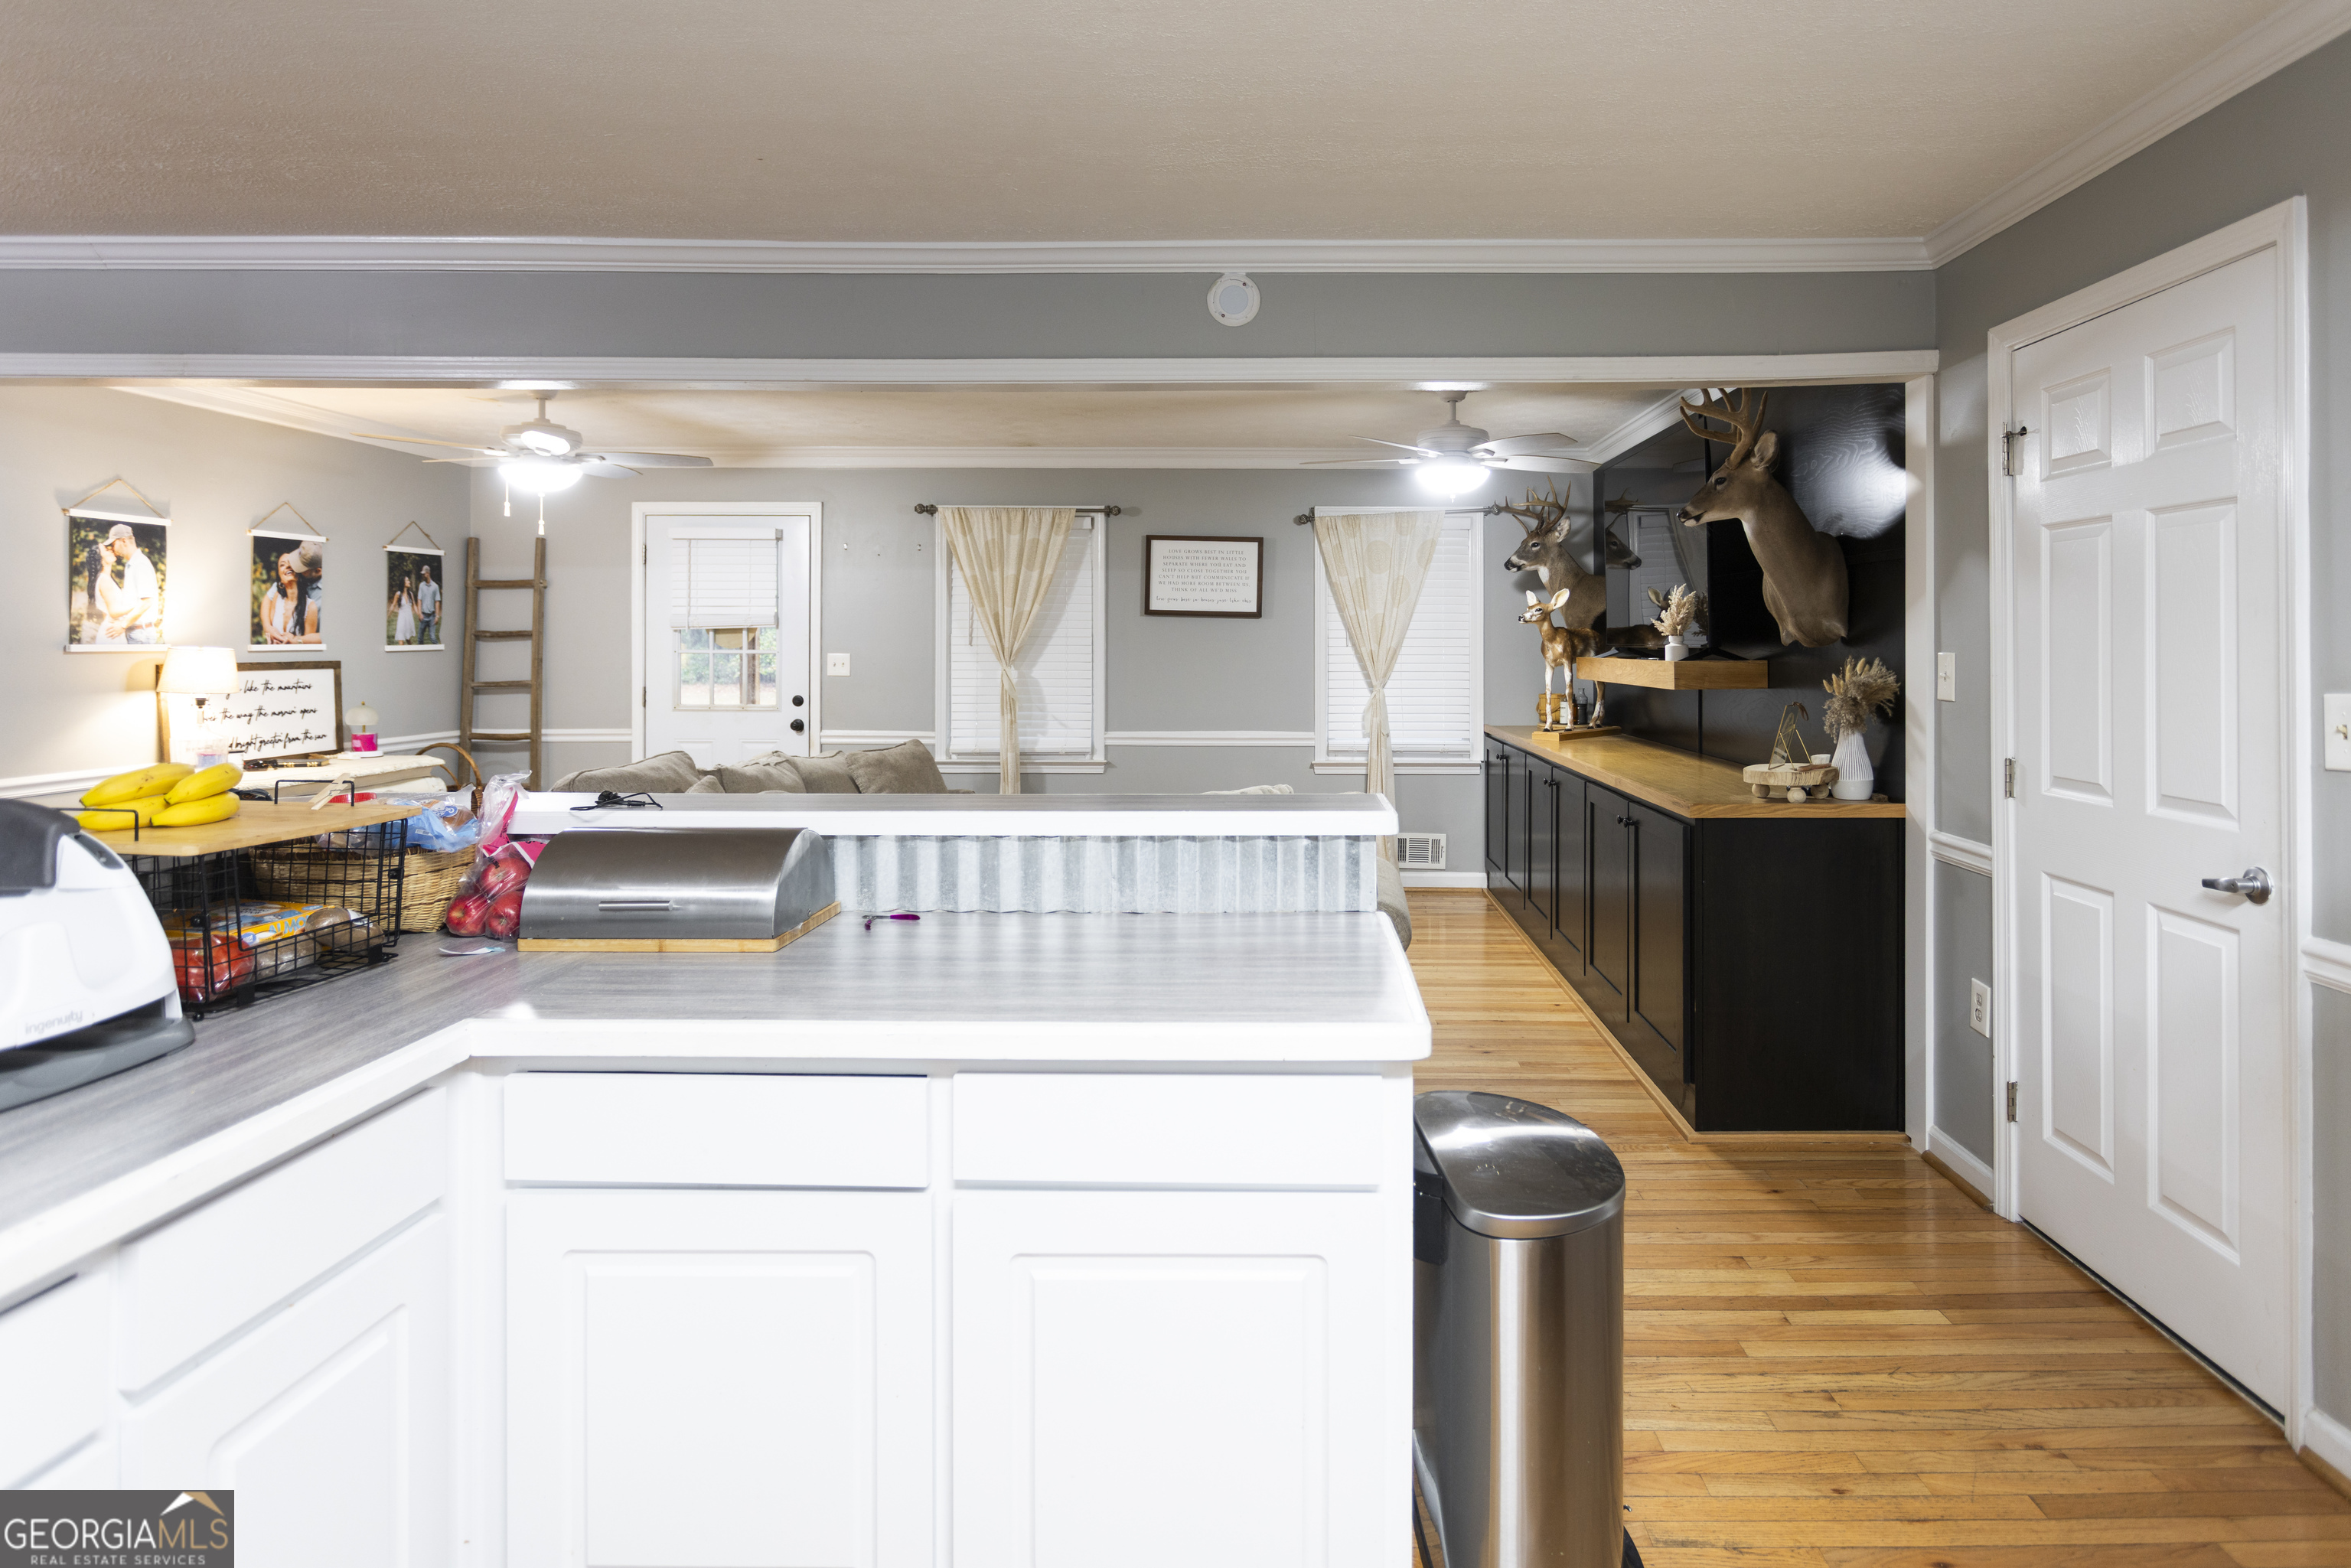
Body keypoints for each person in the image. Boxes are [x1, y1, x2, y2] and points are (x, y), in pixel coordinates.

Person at [93, 524, 161, 644]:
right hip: (135, 632)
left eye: (114, 544)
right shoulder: (131, 565)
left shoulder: (140, 564)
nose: (112, 549)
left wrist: (123, 625)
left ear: (123, 541)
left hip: (141, 634)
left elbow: (147, 601)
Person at [260, 552, 306, 644]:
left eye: (291, 562)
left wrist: (294, 640)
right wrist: (268, 628)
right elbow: (266, 601)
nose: (288, 566)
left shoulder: (310, 605)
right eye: (282, 565)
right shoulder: (277, 595)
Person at [416, 562, 440, 644]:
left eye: (424, 574)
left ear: (428, 574)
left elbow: (437, 602)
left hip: (432, 616)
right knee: (420, 638)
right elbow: (419, 600)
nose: (422, 576)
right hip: (424, 616)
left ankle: (438, 650)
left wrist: (437, 616)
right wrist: (419, 613)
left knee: (433, 637)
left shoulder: (435, 587)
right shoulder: (421, 586)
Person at [393, 576, 417, 644]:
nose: (409, 582)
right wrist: (388, 615)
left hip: (409, 619)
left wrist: (419, 614)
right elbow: (393, 605)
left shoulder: (410, 594)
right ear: (403, 583)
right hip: (402, 619)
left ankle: (411, 650)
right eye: (407, 581)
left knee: (408, 639)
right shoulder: (398, 594)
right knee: (401, 638)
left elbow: (414, 605)